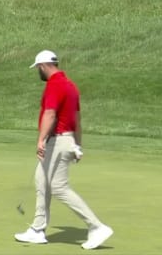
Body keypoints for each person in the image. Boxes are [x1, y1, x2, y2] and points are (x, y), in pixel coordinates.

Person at [15, 50, 114, 250]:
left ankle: (96, 226)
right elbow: (77, 120)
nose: (38, 73)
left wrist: (41, 140)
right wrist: (77, 144)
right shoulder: (71, 86)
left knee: (59, 186)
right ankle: (37, 229)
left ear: (43, 66)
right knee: (41, 179)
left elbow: (50, 115)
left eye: (38, 69)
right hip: (67, 140)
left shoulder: (54, 85)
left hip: (58, 141)